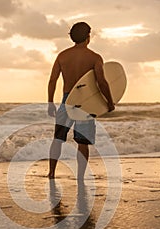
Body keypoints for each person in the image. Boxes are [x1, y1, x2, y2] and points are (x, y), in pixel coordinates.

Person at [47, 22, 115, 180]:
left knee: (57, 139)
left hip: (67, 99)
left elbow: (52, 81)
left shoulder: (62, 56)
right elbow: (102, 82)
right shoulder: (94, 57)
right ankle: (80, 176)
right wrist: (109, 102)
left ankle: (51, 173)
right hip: (85, 103)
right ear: (88, 36)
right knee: (82, 142)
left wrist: (50, 103)